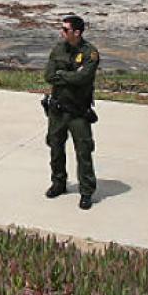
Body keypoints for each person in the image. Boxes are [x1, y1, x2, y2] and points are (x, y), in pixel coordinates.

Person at [43, 14, 99, 209]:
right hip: (57, 110)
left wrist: (64, 75)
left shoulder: (90, 53)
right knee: (55, 147)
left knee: (83, 151)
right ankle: (58, 183)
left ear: (77, 32)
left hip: (78, 112)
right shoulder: (58, 49)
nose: (62, 32)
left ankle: (86, 192)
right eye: (62, 29)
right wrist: (71, 75)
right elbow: (49, 76)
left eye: (65, 30)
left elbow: (83, 78)